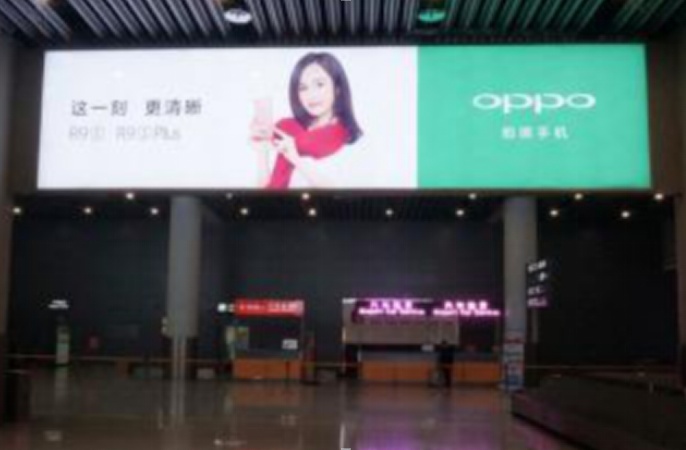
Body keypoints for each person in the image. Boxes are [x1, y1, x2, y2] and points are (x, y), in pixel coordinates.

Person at [250, 52, 363, 189]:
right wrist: (261, 152)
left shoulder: (348, 139)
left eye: (319, 84)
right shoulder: (287, 130)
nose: (311, 95)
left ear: (337, 88)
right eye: (303, 88)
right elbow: (264, 194)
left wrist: (295, 158)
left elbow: (341, 194)